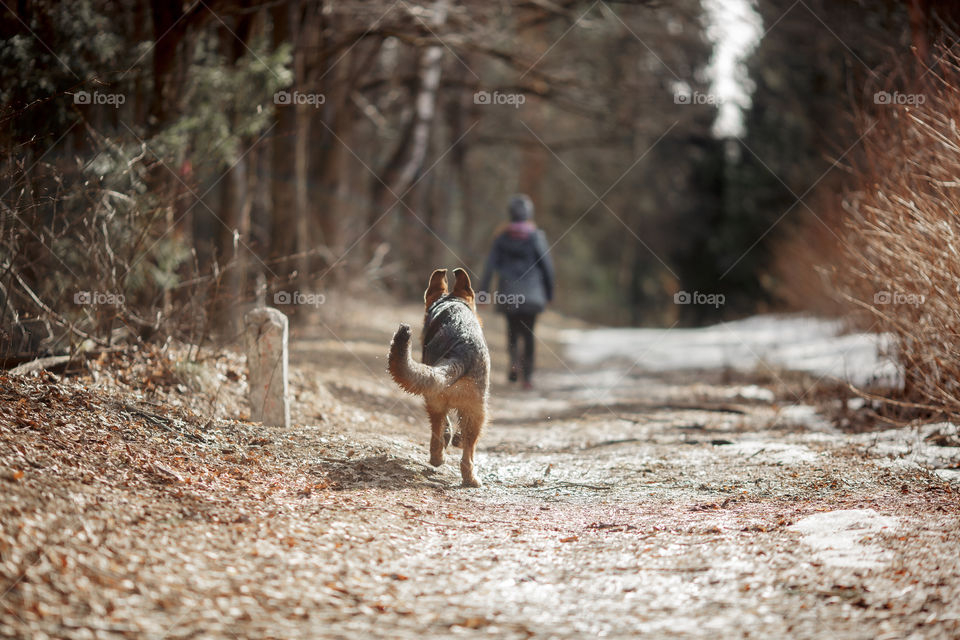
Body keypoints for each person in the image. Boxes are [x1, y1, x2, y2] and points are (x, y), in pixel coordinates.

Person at [478, 194, 555, 390]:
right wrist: (549, 294)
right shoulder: (536, 236)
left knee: (512, 332)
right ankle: (527, 377)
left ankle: (514, 364)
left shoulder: (501, 238)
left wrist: (483, 293)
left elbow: (489, 267)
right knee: (528, 335)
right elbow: (547, 268)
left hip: (508, 294)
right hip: (533, 295)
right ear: (529, 214)